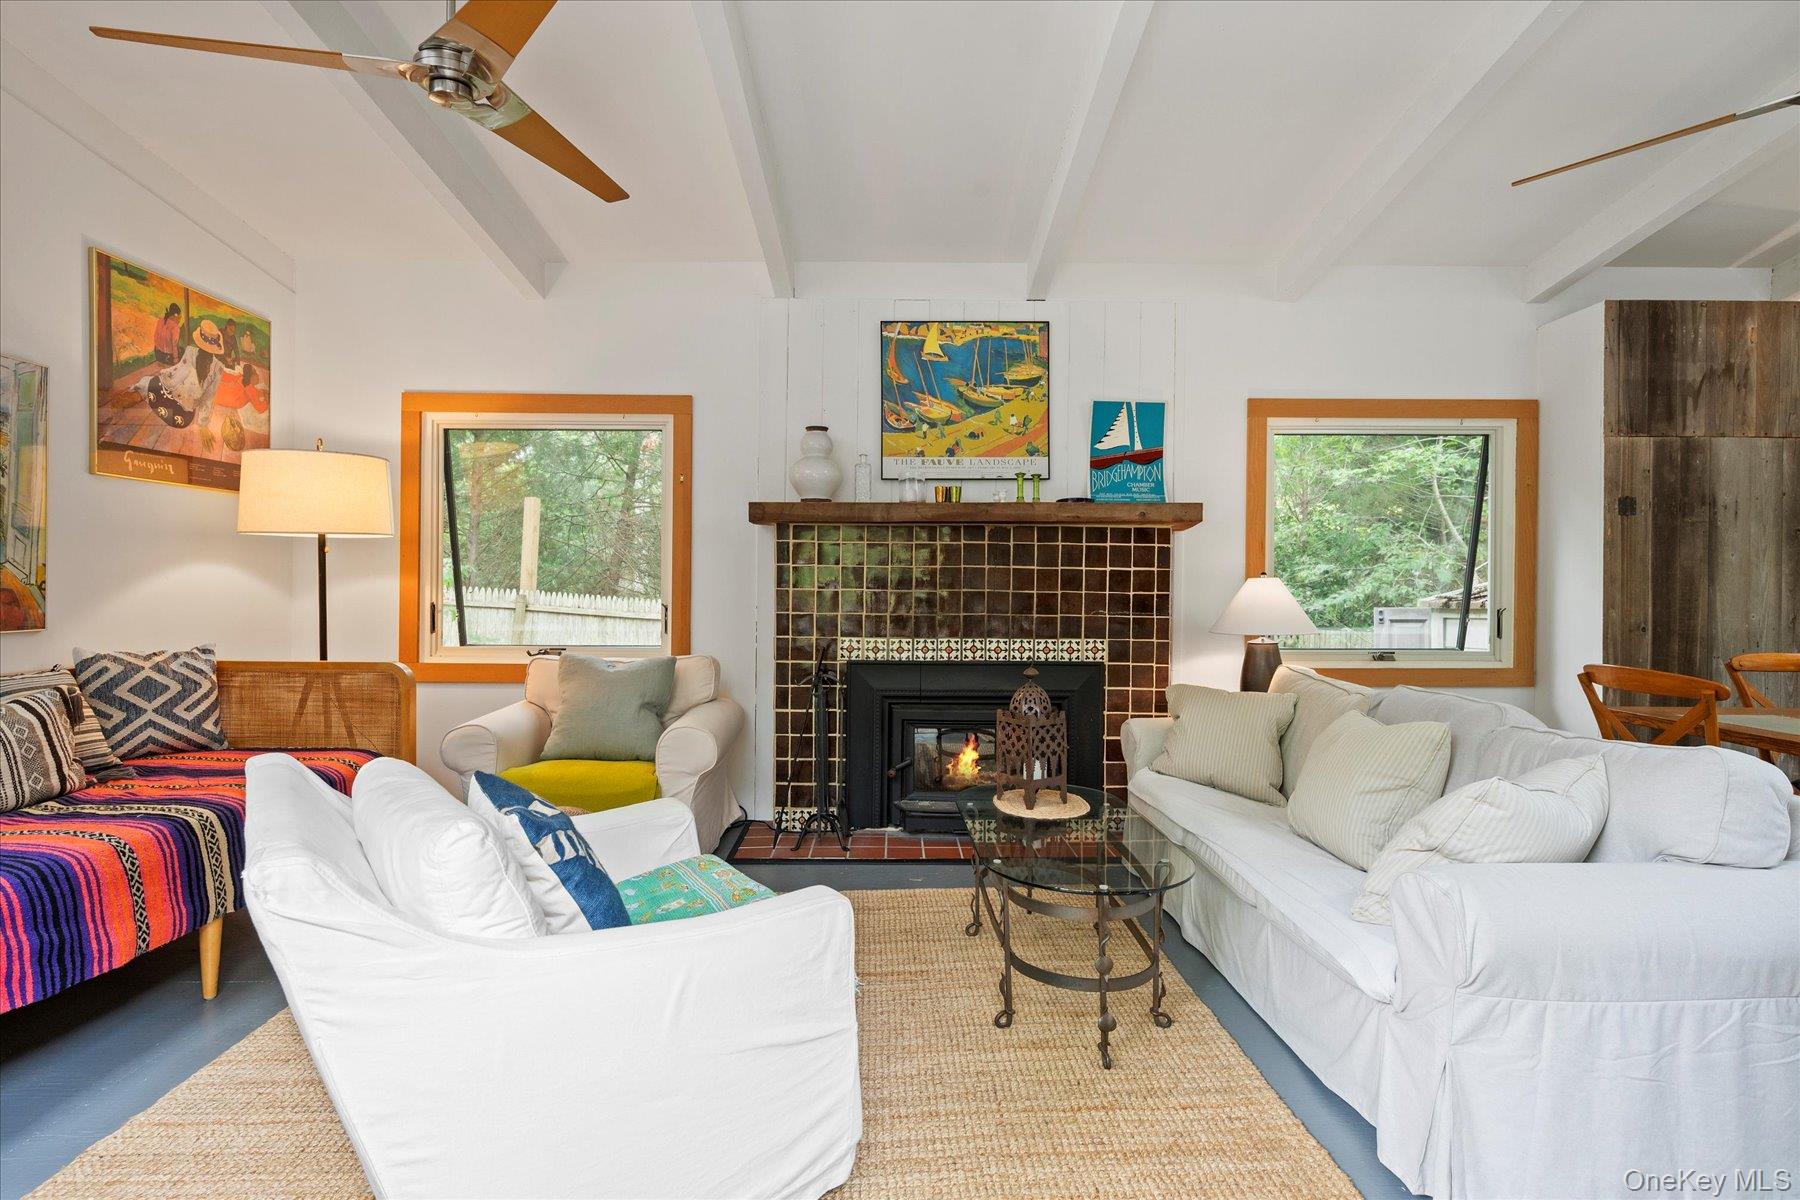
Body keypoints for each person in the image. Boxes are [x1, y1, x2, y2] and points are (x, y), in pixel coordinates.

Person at [133, 318, 224, 435]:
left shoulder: (207, 361)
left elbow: (207, 396)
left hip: (178, 406)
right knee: (153, 383)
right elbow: (207, 397)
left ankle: (142, 391)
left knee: (152, 384)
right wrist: (203, 424)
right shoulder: (201, 358)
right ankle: (140, 392)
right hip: (178, 405)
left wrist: (203, 424)